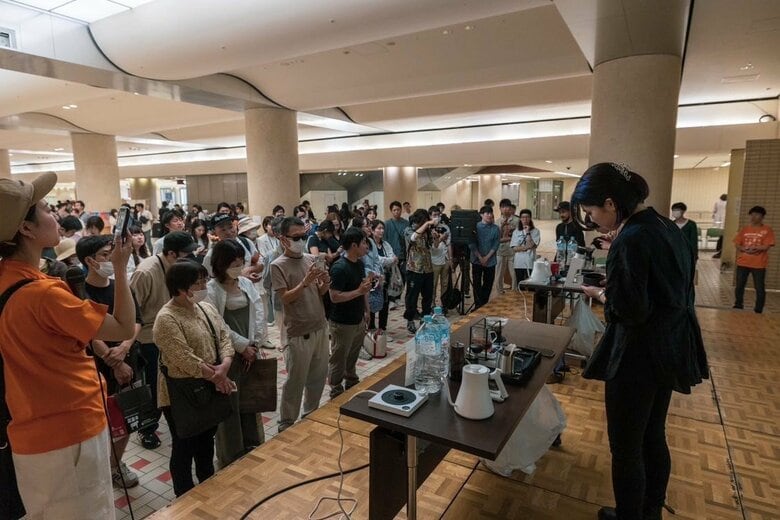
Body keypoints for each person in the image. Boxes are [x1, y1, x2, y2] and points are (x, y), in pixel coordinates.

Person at [572, 162, 707, 520]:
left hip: (637, 355)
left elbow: (628, 311)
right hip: (669, 345)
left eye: (591, 212)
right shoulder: (664, 225)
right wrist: (618, 282)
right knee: (652, 434)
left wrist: (602, 294)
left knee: (626, 446)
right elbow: (662, 284)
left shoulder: (630, 239)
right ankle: (650, 511)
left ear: (611, 203)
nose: (592, 220)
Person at [0, 173, 136, 519]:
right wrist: (120, 268)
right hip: (70, 432)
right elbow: (122, 326)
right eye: (46, 209)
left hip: (30, 431)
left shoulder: (9, 281)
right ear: (25, 229)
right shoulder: (43, 294)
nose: (55, 216)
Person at [153, 260, 234, 497]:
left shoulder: (205, 308)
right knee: (184, 445)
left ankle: (207, 487)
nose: (204, 287)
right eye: (198, 283)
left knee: (206, 441)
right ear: (181, 288)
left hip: (209, 385)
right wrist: (218, 377)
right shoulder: (166, 318)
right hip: (182, 392)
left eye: (204, 281)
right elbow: (183, 357)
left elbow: (224, 336)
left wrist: (225, 365)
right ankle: (185, 497)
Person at [77, 235, 144, 489]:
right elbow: (88, 333)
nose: (111, 259)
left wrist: (124, 348)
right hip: (98, 368)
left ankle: (116, 465)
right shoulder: (79, 292)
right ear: (90, 261)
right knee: (101, 422)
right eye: (105, 255)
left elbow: (136, 321)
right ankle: (100, 469)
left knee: (127, 417)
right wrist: (114, 361)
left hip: (129, 360)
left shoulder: (120, 286)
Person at [131, 231, 199, 449]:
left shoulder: (180, 269)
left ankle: (178, 418)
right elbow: (132, 311)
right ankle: (147, 429)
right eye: (187, 254)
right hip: (149, 338)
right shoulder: (146, 272)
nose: (191, 257)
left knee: (178, 380)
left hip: (176, 330)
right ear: (171, 253)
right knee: (154, 385)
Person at [206, 240, 267, 466]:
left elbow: (259, 312)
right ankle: (230, 455)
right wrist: (242, 346)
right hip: (227, 355)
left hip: (250, 351)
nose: (239, 267)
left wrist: (255, 344)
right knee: (229, 405)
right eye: (233, 263)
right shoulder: (212, 289)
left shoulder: (245, 283)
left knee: (250, 400)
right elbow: (217, 324)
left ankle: (252, 444)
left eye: (241, 262)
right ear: (220, 264)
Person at [271, 216, 331, 431]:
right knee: (295, 381)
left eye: (304, 236)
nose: (301, 241)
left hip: (319, 327)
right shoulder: (278, 265)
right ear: (283, 239)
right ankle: (286, 422)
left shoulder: (310, 259)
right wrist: (305, 282)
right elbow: (285, 298)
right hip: (298, 332)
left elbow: (320, 291)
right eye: (296, 237)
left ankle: (311, 414)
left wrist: (325, 282)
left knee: (318, 377)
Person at [328, 227, 373, 398]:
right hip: (342, 322)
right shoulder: (339, 268)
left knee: (353, 354)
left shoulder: (359, 263)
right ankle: (335, 387)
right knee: (339, 357)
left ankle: (351, 380)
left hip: (357, 318)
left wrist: (367, 310)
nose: (366, 246)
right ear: (354, 245)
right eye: (364, 243)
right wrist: (359, 292)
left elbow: (364, 289)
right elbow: (334, 297)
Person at [733, 205, 775, 313]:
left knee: (759, 287)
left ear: (762, 217)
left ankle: (758, 308)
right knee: (739, 285)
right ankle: (738, 305)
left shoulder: (767, 230)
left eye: (757, 215)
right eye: (752, 215)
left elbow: (767, 246)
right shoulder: (745, 229)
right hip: (743, 262)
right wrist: (743, 248)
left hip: (759, 264)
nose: (753, 217)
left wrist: (755, 248)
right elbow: (737, 243)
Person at [404, 209, 435, 333]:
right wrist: (427, 224)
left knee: (427, 296)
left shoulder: (428, 232)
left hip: (428, 269)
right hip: (414, 269)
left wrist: (438, 238)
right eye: (425, 220)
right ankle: (410, 319)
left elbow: (433, 246)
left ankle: (425, 318)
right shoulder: (409, 230)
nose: (427, 222)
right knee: (412, 297)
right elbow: (413, 238)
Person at [367, 220, 397, 332]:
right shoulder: (369, 244)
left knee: (385, 303)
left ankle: (382, 328)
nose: (382, 231)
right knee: (372, 302)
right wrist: (389, 260)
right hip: (373, 277)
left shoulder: (385, 244)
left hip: (385, 277)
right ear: (372, 230)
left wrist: (389, 260)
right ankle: (371, 327)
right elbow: (378, 260)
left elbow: (393, 256)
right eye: (379, 228)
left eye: (383, 228)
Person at [470, 205, 500, 310]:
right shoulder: (475, 227)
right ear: (481, 215)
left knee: (488, 283)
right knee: (476, 283)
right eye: (487, 213)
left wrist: (487, 257)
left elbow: (496, 244)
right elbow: (471, 244)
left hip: (490, 260)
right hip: (476, 260)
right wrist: (480, 257)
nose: (490, 215)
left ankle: (483, 305)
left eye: (491, 213)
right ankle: (478, 305)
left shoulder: (495, 228)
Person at [429, 205, 451, 310]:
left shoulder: (445, 227)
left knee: (445, 283)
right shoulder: (428, 228)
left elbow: (449, 244)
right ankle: (432, 303)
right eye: (434, 215)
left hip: (445, 259)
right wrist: (441, 238)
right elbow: (434, 246)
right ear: (430, 216)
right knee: (433, 284)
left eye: (438, 215)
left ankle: (444, 303)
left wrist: (450, 259)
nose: (437, 217)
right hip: (433, 260)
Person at [495, 199, 520, 293]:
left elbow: (519, 236)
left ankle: (514, 291)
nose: (505, 209)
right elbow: (497, 238)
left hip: (513, 251)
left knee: (514, 273)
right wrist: (502, 227)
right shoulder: (497, 222)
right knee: (499, 273)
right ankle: (499, 292)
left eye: (507, 207)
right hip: (500, 251)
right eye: (503, 207)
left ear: (510, 208)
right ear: (500, 209)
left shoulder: (517, 221)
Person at [384, 201, 409, 292]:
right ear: (391, 211)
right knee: (392, 278)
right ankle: (393, 296)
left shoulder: (406, 223)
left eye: (398, 209)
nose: (396, 212)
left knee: (403, 277)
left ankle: (400, 294)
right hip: (391, 255)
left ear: (401, 210)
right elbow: (385, 240)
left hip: (403, 255)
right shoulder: (387, 224)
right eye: (394, 210)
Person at [511, 209, 540, 284]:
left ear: (530, 218)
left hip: (530, 262)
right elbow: (514, 248)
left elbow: (533, 245)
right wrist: (526, 247)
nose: (525, 219)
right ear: (520, 219)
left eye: (527, 217)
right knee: (520, 285)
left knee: (531, 285)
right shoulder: (516, 232)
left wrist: (528, 233)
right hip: (518, 263)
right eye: (523, 217)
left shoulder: (536, 231)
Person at [712, 194, 727, 258]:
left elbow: (714, 210)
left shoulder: (717, 202)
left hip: (717, 217)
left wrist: (713, 214)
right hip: (724, 217)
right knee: (722, 230)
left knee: (718, 228)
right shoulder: (727, 203)